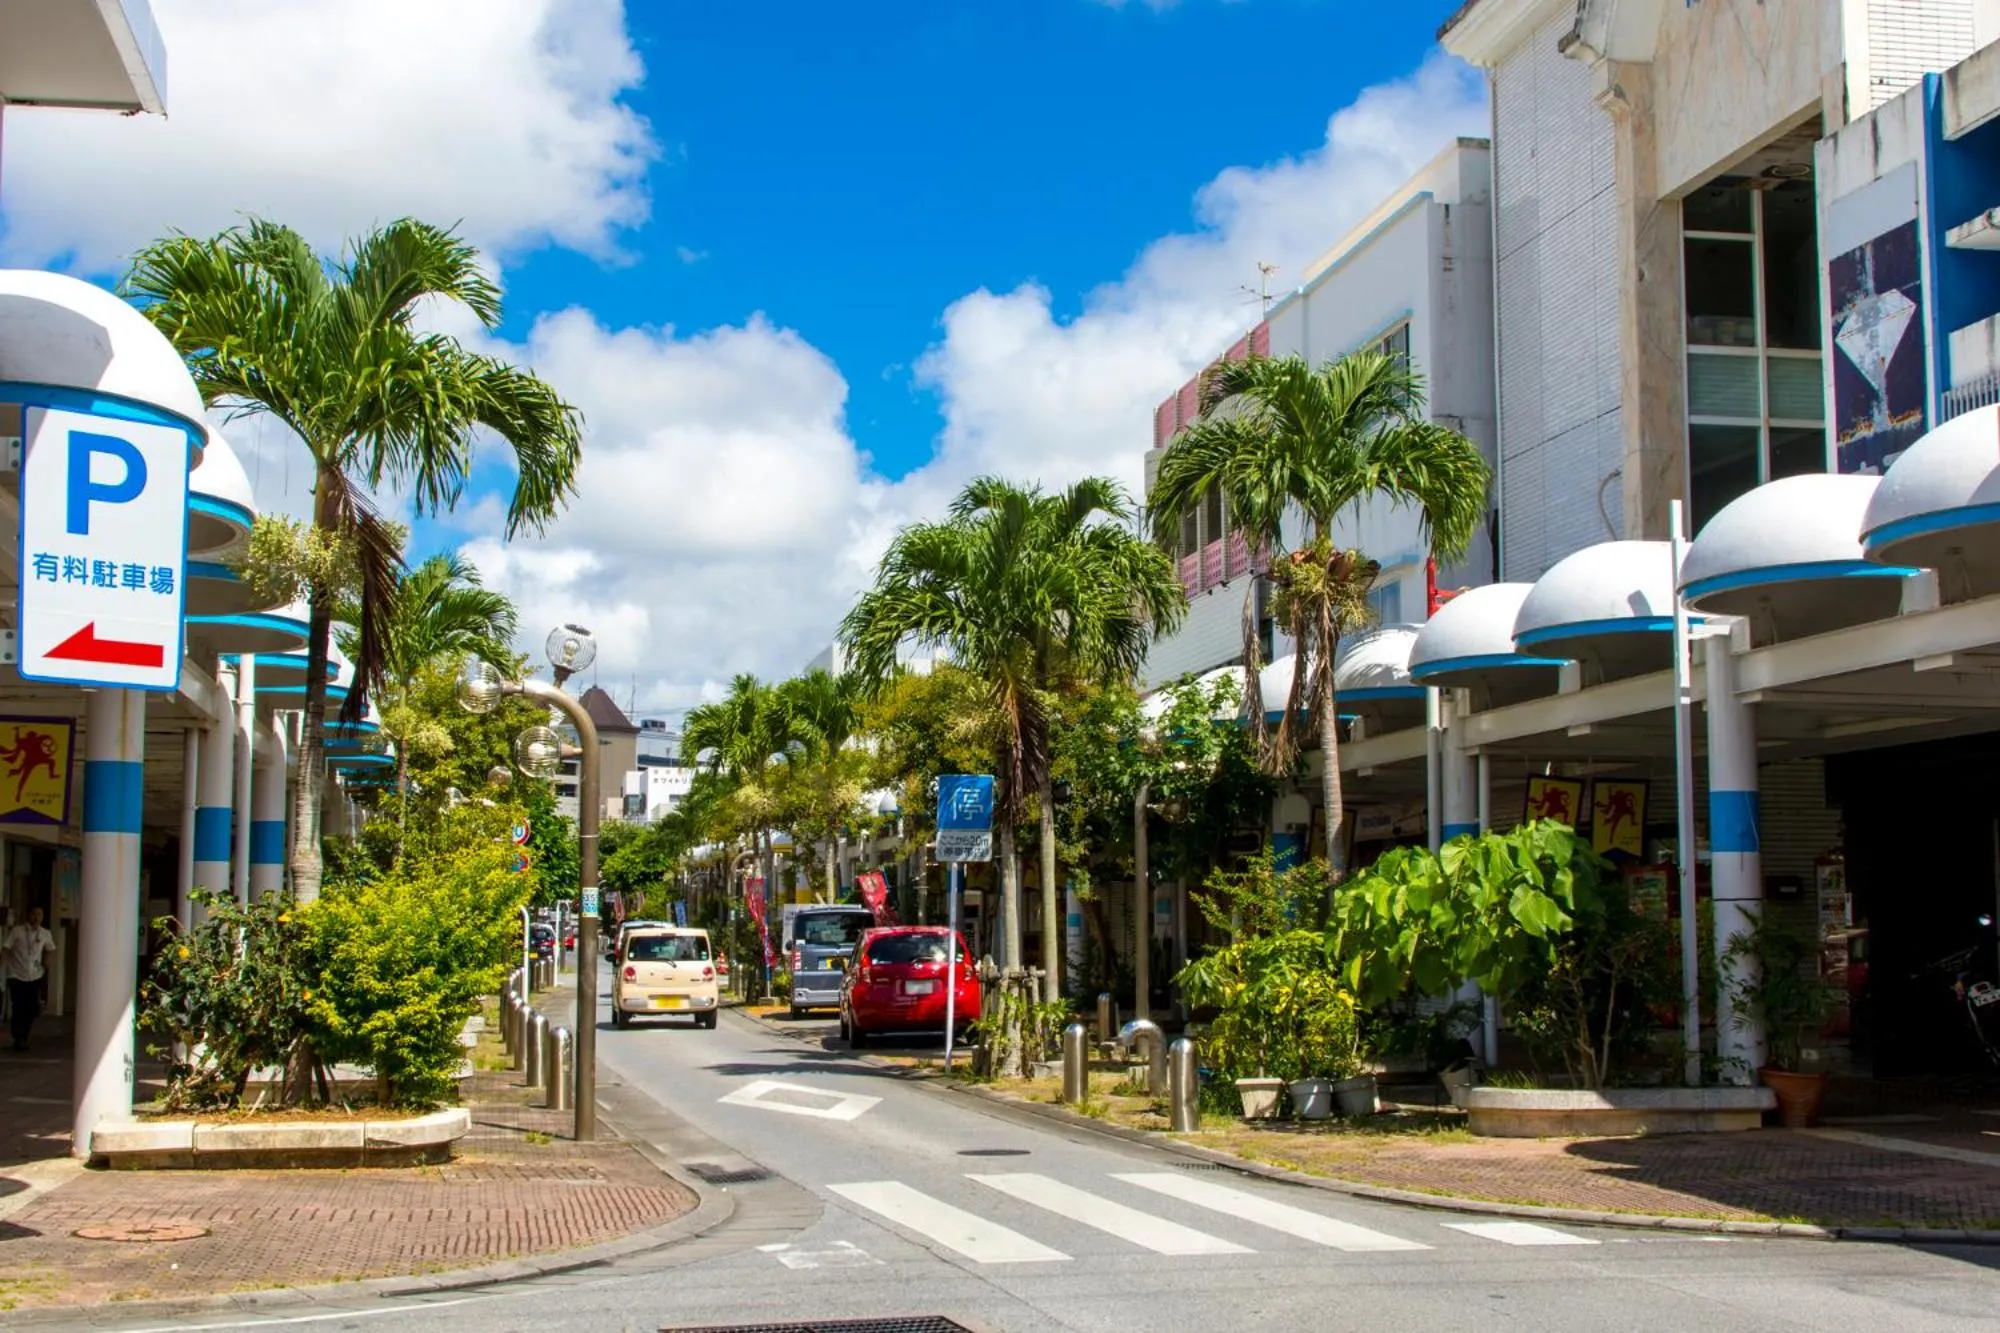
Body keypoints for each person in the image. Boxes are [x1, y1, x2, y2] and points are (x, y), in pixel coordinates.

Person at [5, 906, 54, 1052]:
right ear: (28, 915)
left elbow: (50, 950)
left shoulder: (45, 933)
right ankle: (18, 1038)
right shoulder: (17, 931)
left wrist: (46, 965)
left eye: (39, 914)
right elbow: (6, 948)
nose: (36, 917)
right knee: (18, 1007)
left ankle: (24, 1036)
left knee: (32, 1008)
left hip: (35, 975)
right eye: (33, 914)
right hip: (16, 975)